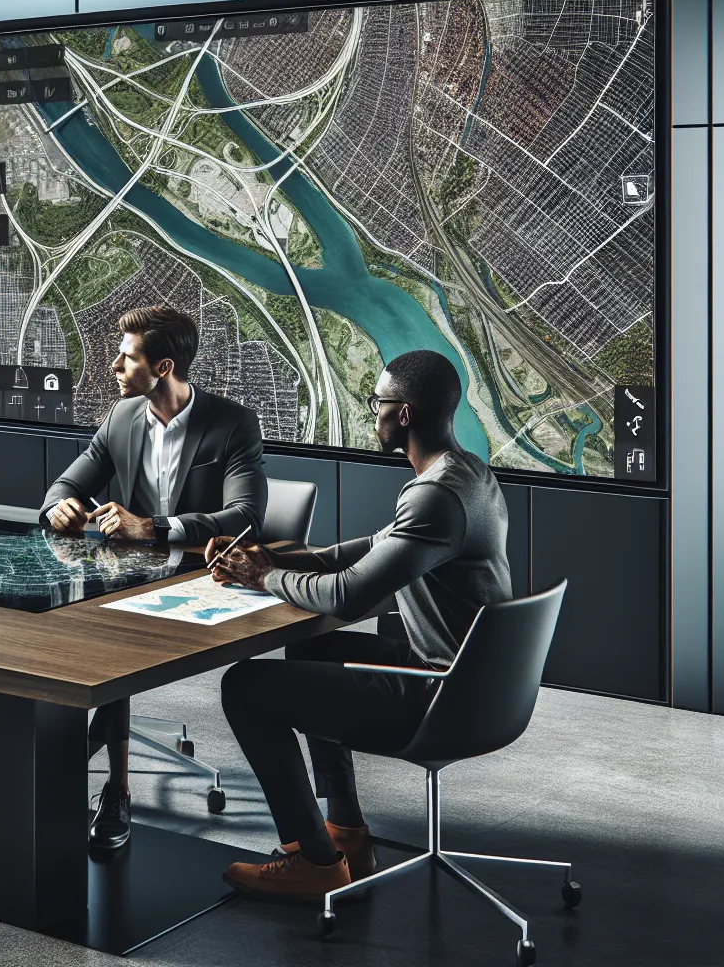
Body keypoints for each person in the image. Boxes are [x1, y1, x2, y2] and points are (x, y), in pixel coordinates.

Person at [206, 350, 512, 902]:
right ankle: (346, 832)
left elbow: (348, 596)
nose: (374, 413)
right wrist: (277, 559)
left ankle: (315, 863)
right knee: (311, 649)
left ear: (404, 414)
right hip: (476, 682)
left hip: (441, 695)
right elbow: (373, 548)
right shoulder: (467, 473)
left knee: (245, 686)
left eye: (378, 403)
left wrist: (263, 578)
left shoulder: (436, 496)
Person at [38, 305, 267, 850]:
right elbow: (64, 485)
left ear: (163, 367)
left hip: (199, 576)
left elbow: (246, 517)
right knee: (62, 632)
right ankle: (64, 758)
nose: (114, 366)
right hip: (128, 577)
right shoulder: (122, 417)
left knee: (113, 644)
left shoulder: (232, 423)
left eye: (128, 357)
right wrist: (59, 507)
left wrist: (154, 527)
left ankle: (115, 789)